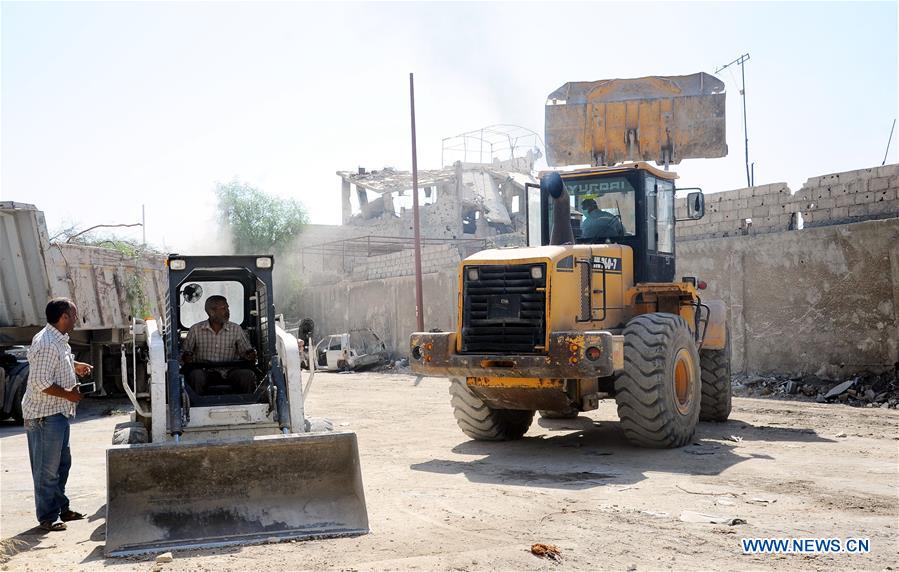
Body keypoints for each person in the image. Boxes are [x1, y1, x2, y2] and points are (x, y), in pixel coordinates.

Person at [23, 298, 92, 532]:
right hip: (45, 415)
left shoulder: (59, 339)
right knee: (47, 470)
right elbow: (39, 382)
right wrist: (67, 395)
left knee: (62, 465)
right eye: (73, 314)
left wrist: (76, 365)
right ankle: (47, 516)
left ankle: (61, 508)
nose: (76, 318)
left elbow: (58, 363)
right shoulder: (46, 342)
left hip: (58, 412)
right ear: (63, 317)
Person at [181, 295, 257, 395]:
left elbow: (246, 352)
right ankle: (195, 407)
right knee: (196, 375)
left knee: (247, 375)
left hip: (231, 371)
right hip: (205, 372)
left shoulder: (236, 329)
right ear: (211, 312)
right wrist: (186, 357)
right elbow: (184, 354)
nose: (227, 312)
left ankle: (249, 405)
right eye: (223, 308)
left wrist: (250, 354)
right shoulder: (195, 330)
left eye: (227, 308)